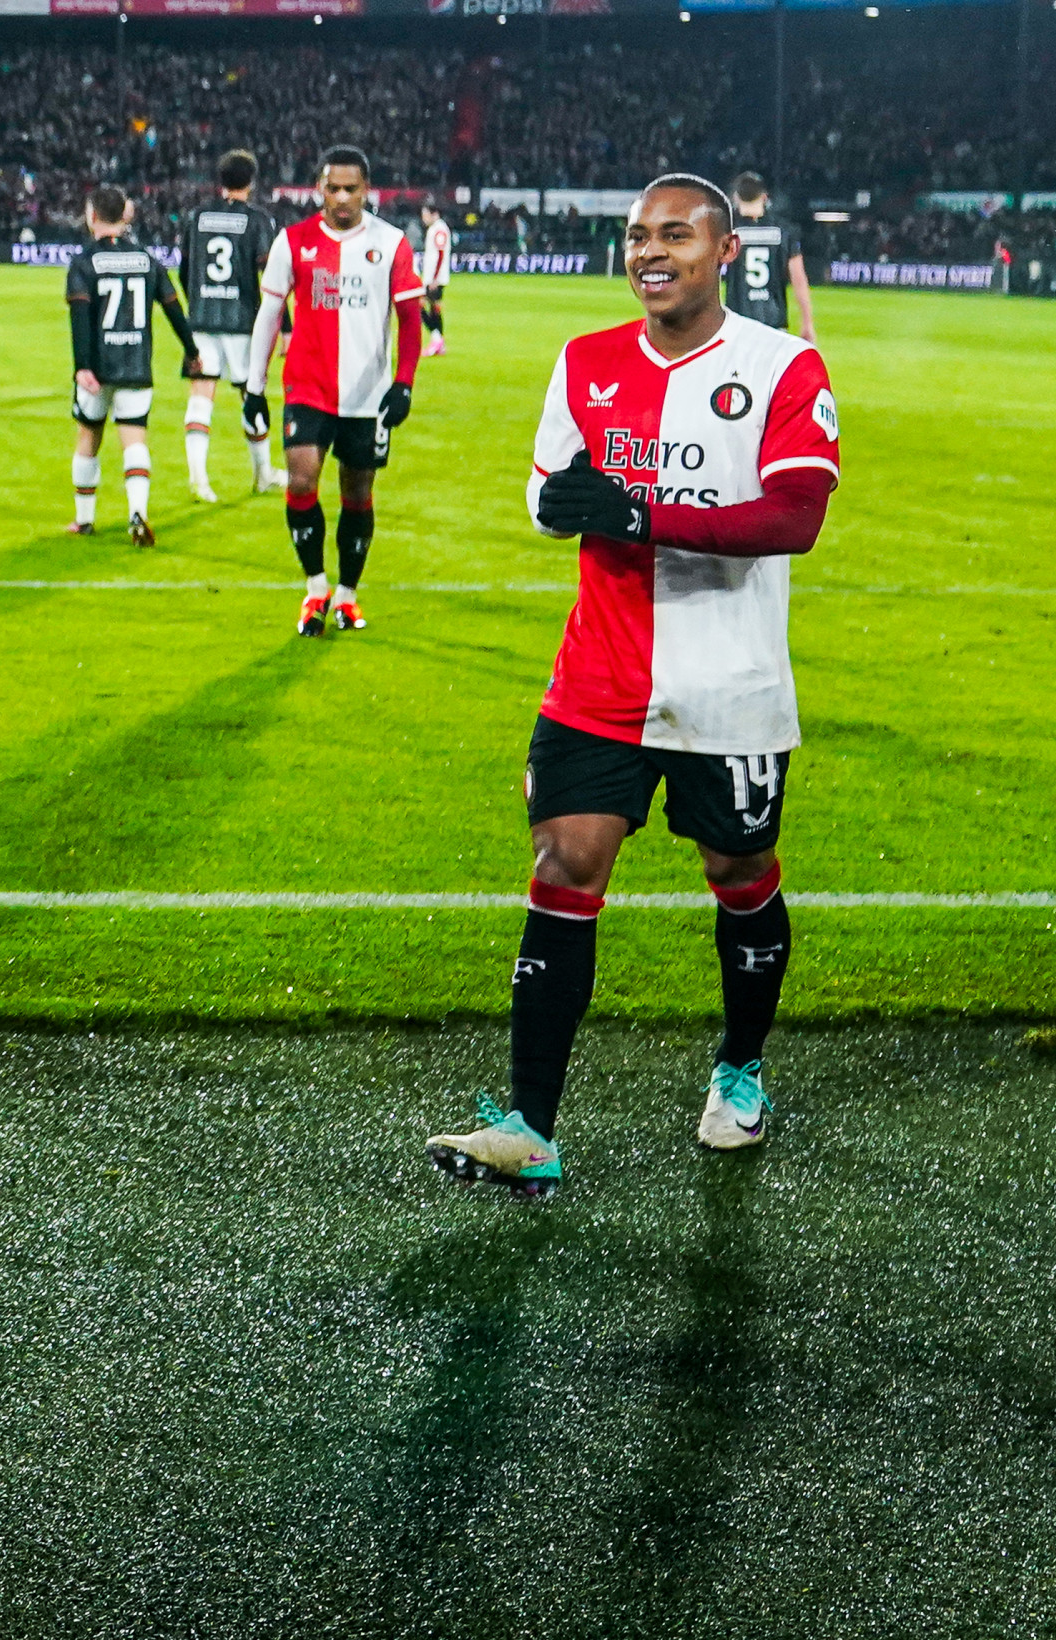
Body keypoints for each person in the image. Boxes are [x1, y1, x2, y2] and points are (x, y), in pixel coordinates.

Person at [427, 173, 841, 1194]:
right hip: (599, 675)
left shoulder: (782, 365)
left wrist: (638, 512)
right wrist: (568, 502)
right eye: (635, 237)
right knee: (566, 864)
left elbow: (792, 517)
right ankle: (530, 1127)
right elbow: (548, 496)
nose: (649, 252)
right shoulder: (584, 361)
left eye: (673, 235)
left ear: (725, 250)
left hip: (730, 687)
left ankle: (739, 1072)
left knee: (740, 871)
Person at [256, 146, 422, 637]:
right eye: (334, 188)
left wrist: (405, 383)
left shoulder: (390, 243)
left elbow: (410, 320)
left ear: (367, 190)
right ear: (319, 189)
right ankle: (315, 589)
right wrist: (252, 386)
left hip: (367, 395)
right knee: (302, 480)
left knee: (358, 492)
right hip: (307, 387)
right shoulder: (294, 241)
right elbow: (269, 315)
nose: (343, 197)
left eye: (352, 188)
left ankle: (347, 596)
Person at [63, 183, 192, 546]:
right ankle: (138, 512)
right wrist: (192, 349)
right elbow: (173, 308)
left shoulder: (84, 262)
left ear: (91, 216)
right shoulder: (148, 260)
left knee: (89, 435)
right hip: (136, 365)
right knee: (134, 437)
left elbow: (80, 318)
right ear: (126, 214)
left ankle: (84, 520)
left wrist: (82, 366)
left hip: (98, 368)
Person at [180, 150, 277, 502]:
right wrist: (285, 326)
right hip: (241, 321)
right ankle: (263, 473)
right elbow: (270, 277)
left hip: (202, 318)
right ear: (251, 182)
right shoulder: (257, 220)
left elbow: (184, 269)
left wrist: (200, 304)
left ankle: (198, 478)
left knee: (201, 396)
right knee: (251, 396)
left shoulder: (197, 217)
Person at [723, 169, 820, 341]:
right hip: (774, 326)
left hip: (738, 327)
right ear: (764, 197)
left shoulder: (727, 232)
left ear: (736, 198)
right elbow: (798, 278)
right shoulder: (784, 231)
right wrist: (807, 322)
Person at [417, 199, 457, 358]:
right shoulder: (436, 229)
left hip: (435, 279)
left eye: (425, 214)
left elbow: (440, 254)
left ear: (434, 214)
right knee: (434, 309)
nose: (423, 218)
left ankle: (436, 340)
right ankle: (439, 343)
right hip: (433, 278)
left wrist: (434, 278)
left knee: (421, 307)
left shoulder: (439, 229)